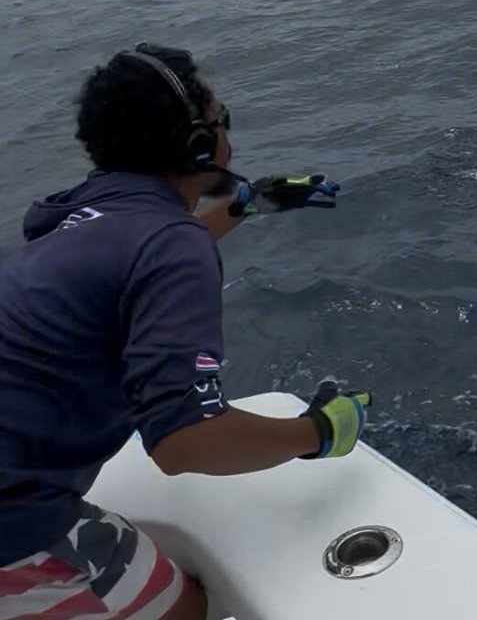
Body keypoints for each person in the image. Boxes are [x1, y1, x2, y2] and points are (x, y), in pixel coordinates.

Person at [0, 43, 369, 620]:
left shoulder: (76, 215)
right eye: (221, 122)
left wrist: (248, 202)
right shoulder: (172, 245)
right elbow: (184, 441)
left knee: (185, 602)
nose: (226, 135)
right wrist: (319, 432)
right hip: (14, 529)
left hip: (29, 492)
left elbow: (136, 259)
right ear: (197, 144)